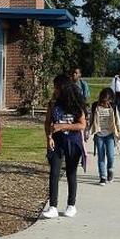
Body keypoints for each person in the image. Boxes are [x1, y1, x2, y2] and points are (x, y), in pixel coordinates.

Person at [41, 75, 87, 218]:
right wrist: (48, 137)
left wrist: (63, 126)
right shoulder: (53, 104)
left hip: (73, 142)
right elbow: (47, 122)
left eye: (56, 87)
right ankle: (53, 206)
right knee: (54, 173)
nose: (54, 90)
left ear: (63, 88)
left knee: (71, 173)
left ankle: (71, 205)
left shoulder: (75, 104)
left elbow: (82, 124)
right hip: (57, 141)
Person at [86, 87, 120, 185]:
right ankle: (102, 176)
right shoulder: (95, 106)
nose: (104, 103)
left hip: (110, 134)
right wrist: (87, 132)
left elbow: (117, 121)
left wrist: (119, 134)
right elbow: (91, 120)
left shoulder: (113, 107)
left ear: (111, 99)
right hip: (99, 134)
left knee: (110, 155)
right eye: (103, 100)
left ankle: (110, 170)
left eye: (107, 100)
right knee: (101, 156)